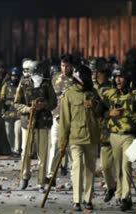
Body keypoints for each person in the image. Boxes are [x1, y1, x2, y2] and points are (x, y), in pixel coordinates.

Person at [59, 65, 102, 211]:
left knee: (90, 169)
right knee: (77, 169)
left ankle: (87, 199)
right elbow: (64, 121)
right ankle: (76, 200)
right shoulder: (69, 95)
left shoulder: (93, 92)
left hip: (92, 137)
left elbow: (101, 112)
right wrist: (62, 143)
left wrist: (94, 104)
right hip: (75, 138)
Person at [102, 66, 136, 211]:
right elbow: (100, 111)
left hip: (129, 136)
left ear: (127, 79)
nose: (118, 80)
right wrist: (110, 113)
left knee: (126, 166)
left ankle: (126, 197)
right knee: (118, 168)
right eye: (116, 77)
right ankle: (119, 195)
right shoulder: (109, 95)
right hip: (114, 135)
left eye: (121, 77)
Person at [14, 60, 57, 193]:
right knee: (25, 152)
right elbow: (17, 103)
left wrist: (44, 106)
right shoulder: (23, 83)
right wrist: (28, 109)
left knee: (43, 154)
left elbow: (53, 102)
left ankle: (41, 182)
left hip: (43, 123)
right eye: (35, 73)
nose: (38, 76)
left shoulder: (47, 83)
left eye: (40, 73)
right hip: (28, 123)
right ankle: (25, 176)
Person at [90, 57, 116, 202]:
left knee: (116, 164)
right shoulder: (90, 87)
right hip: (95, 129)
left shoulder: (113, 85)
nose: (92, 73)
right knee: (105, 166)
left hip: (112, 129)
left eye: (94, 70)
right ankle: (112, 187)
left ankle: (119, 192)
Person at [46, 55, 74, 184]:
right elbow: (50, 96)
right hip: (57, 117)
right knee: (55, 147)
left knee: (72, 149)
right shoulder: (55, 78)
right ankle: (51, 176)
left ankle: (75, 176)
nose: (65, 68)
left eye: (67, 65)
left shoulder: (76, 79)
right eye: (63, 65)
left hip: (73, 119)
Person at [0, 67, 22, 157]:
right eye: (13, 75)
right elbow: (2, 97)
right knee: (9, 132)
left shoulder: (21, 86)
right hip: (8, 112)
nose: (14, 77)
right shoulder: (6, 85)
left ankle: (17, 150)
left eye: (16, 76)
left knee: (17, 131)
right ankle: (12, 148)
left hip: (18, 112)